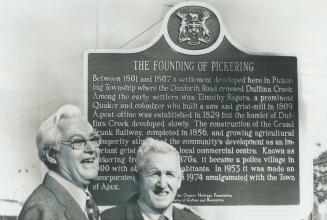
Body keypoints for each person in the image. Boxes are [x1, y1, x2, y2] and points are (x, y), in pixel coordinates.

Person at [18, 105, 101, 220]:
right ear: (51, 154)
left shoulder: (84, 201)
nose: (92, 149)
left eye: (93, 139)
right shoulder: (42, 210)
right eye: (78, 141)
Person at [101, 137, 203, 220]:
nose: (162, 184)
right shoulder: (107, 218)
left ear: (179, 180)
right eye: (155, 174)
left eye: (170, 174)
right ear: (137, 178)